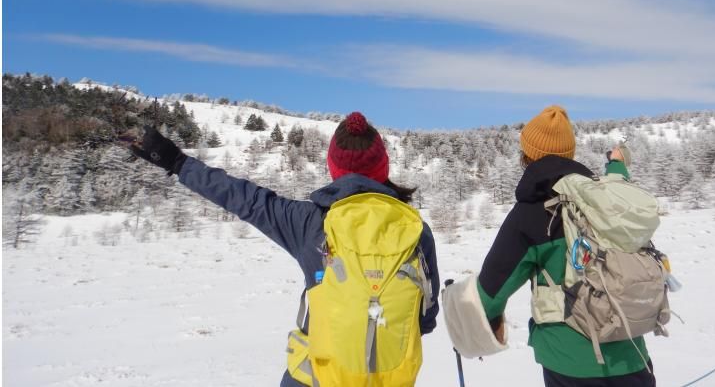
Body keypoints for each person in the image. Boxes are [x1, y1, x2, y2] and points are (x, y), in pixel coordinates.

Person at [129, 111, 440, 387]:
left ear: (333, 168)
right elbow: (426, 318)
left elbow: (244, 198)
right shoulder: (416, 231)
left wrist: (177, 162)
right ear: (382, 166)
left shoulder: (309, 222)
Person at [443, 105, 655, 386]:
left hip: (569, 364)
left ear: (526, 155)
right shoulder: (605, 201)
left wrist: (461, 319)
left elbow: (489, 295)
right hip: (632, 357)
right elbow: (618, 180)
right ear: (570, 153)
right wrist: (616, 164)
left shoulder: (531, 212)